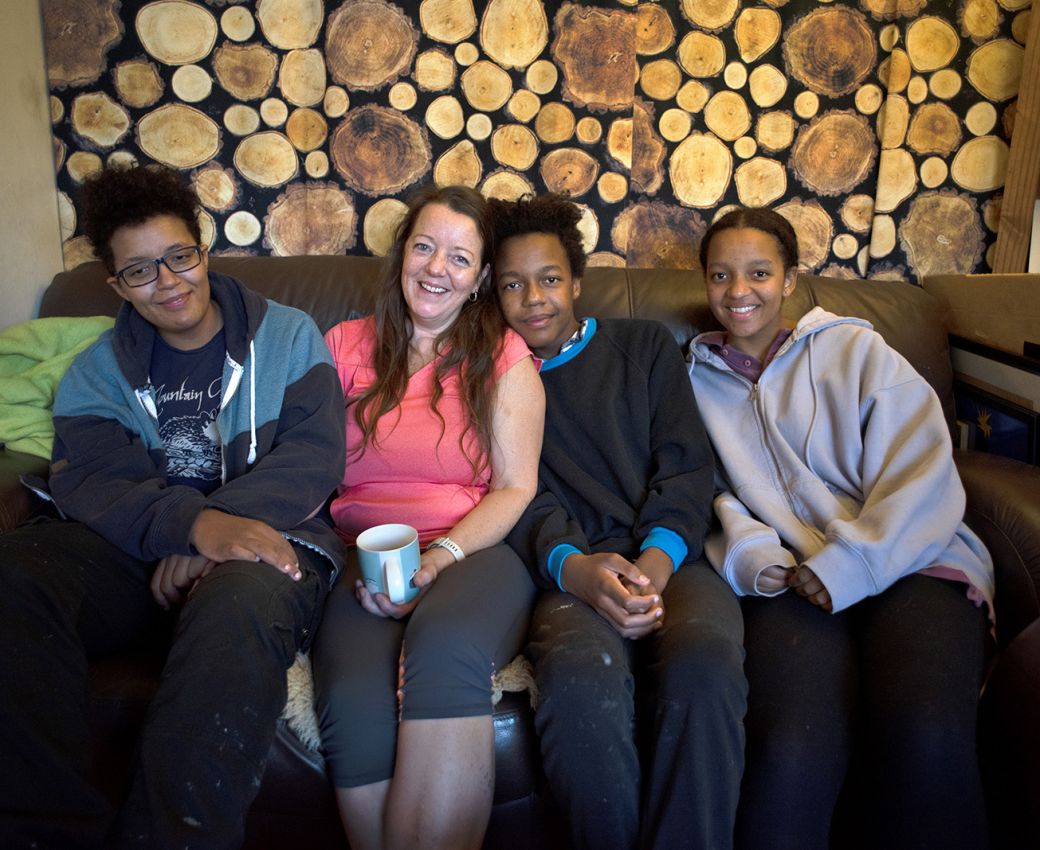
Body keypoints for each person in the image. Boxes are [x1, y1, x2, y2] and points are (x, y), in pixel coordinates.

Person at [0, 163, 346, 849]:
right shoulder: (97, 371)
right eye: (140, 271)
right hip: (137, 556)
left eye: (179, 256)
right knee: (14, 573)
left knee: (237, 601)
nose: (169, 282)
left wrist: (211, 535)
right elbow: (92, 481)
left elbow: (312, 458)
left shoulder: (289, 336)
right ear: (115, 285)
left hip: (270, 541)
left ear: (202, 246)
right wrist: (190, 525)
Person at [687, 206, 994, 850]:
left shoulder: (855, 349)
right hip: (790, 583)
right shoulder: (691, 382)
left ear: (791, 279)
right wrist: (752, 554)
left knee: (924, 730)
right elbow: (709, 492)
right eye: (721, 275)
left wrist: (849, 565)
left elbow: (922, 468)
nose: (739, 291)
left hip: (911, 560)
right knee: (793, 747)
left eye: (759, 273)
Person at [491, 193, 747, 850]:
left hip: (670, 558)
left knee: (707, 663)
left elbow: (686, 466)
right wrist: (575, 570)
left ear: (576, 282)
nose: (534, 299)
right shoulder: (491, 381)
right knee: (578, 678)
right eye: (513, 285)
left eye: (549, 279)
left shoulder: (644, 347)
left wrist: (655, 566)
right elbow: (515, 497)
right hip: (568, 571)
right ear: (492, 293)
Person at [312, 185, 544, 850]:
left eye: (460, 258)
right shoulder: (343, 344)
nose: (437, 268)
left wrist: (439, 561)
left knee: (442, 652)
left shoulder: (502, 354)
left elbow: (515, 488)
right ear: (402, 253)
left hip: (471, 550)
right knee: (353, 695)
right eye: (425, 246)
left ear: (480, 280)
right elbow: (304, 461)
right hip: (363, 551)